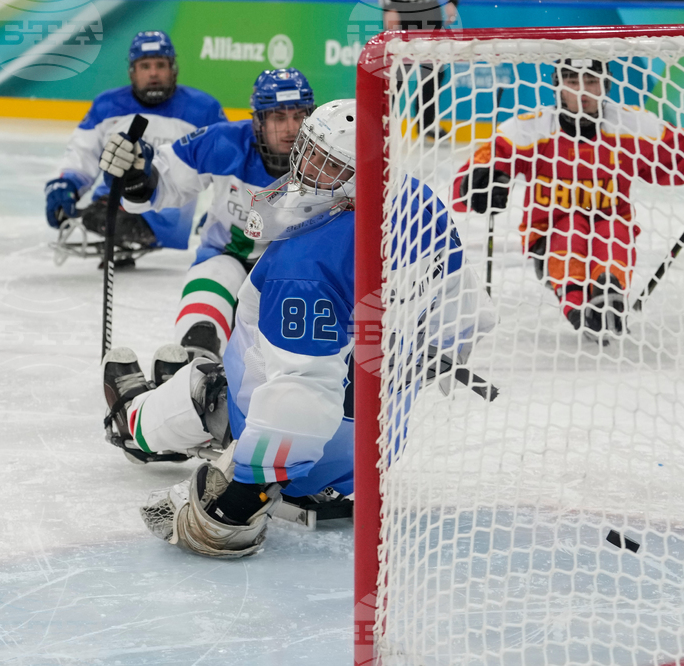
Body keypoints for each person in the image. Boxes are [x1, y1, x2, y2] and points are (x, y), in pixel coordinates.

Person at [100, 99, 492, 557]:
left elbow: (301, 395)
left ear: (356, 177)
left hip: (303, 445)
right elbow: (470, 314)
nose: (305, 168)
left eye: (326, 164)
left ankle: (134, 422)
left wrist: (248, 492)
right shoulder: (420, 205)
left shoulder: (306, 264)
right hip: (375, 451)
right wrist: (422, 356)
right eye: (309, 150)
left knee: (205, 389)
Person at [452, 58, 684, 337]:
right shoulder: (528, 130)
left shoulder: (630, 126)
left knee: (611, 229)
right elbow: (470, 179)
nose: (582, 91)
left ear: (606, 86)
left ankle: (609, 291)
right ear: (558, 86)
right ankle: (575, 303)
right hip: (550, 236)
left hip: (611, 226)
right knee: (571, 227)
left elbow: (677, 155)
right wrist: (477, 185)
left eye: (591, 81)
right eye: (572, 81)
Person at [99, 69, 315, 362]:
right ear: (258, 122)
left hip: (298, 271)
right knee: (211, 284)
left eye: (299, 116)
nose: (291, 129)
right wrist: (139, 174)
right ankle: (195, 362)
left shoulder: (331, 156)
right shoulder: (224, 142)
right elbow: (165, 178)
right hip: (228, 257)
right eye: (278, 118)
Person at [44, 31, 226, 263]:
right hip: (111, 201)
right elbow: (83, 152)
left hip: (167, 211)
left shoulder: (204, 109)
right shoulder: (107, 105)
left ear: (173, 69)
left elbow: (227, 164)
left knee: (97, 215)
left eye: (160, 65)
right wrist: (68, 184)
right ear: (132, 71)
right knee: (87, 211)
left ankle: (141, 228)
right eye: (145, 66)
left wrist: (221, 210)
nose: (153, 73)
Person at [382, 0, 459, 139]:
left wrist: (451, 2)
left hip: (429, 9)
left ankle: (427, 123)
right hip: (401, 9)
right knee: (397, 72)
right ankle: (382, 121)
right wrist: (389, 7)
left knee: (434, 70)